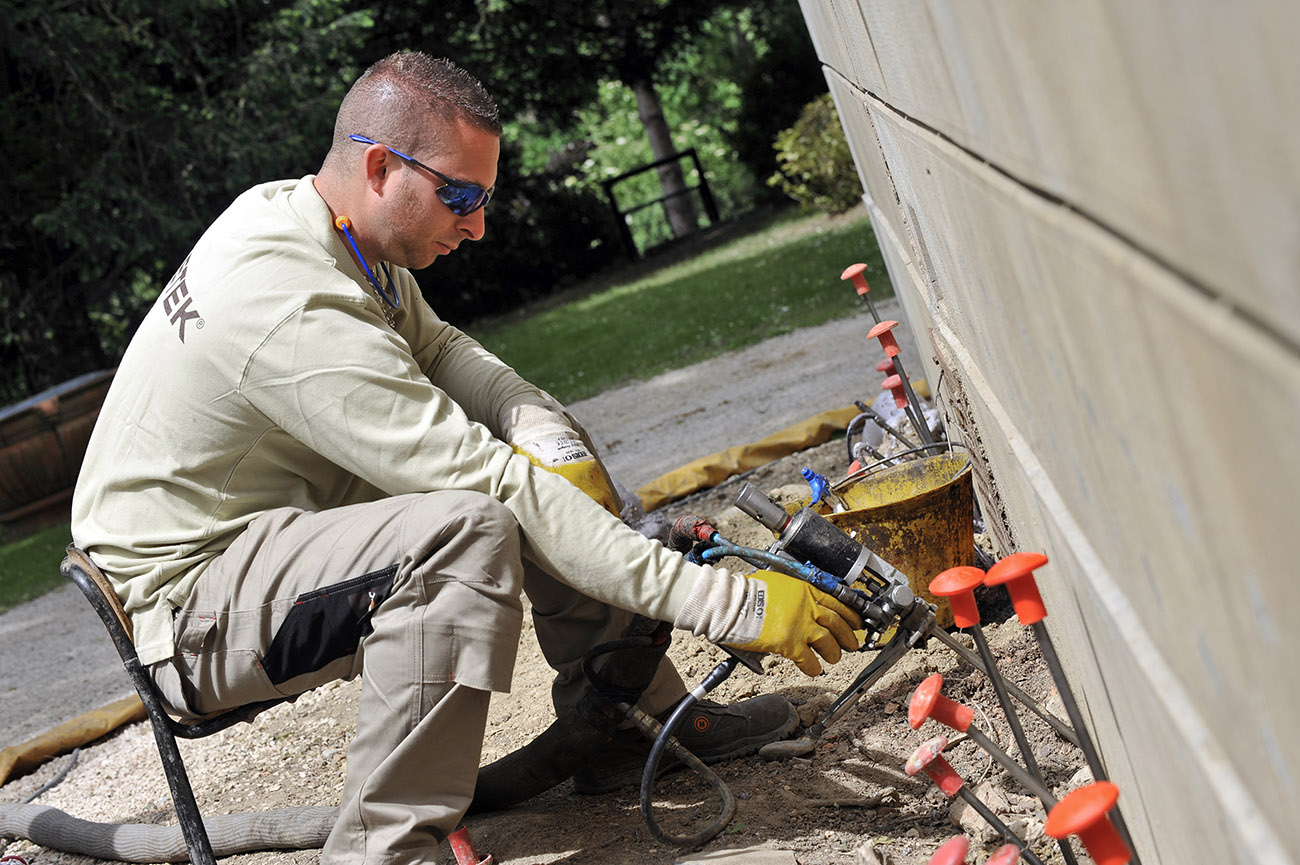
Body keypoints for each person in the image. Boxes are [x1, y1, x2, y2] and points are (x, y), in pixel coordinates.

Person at [71, 51, 861, 864]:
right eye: (460, 196)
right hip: (188, 609)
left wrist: (540, 425)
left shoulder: (324, 227)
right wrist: (730, 605)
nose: (477, 225)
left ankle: (627, 721)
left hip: (256, 544)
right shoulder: (291, 302)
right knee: (463, 531)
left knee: (538, 449)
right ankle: (388, 853)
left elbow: (441, 348)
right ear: (380, 166)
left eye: (483, 199)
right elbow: (489, 487)